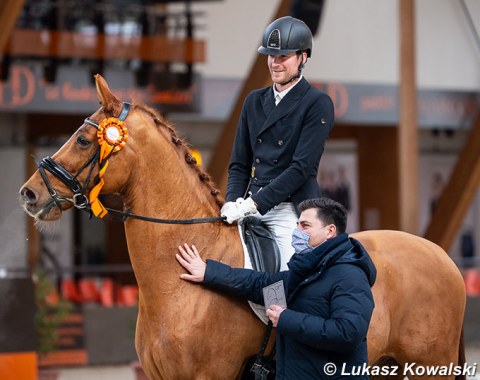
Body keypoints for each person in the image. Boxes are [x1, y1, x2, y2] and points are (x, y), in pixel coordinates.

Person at [177, 198, 376, 379]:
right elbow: (259, 284)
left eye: (305, 225)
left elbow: (347, 333)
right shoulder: (305, 269)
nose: (297, 231)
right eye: (297, 224)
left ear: (330, 231)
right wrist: (208, 272)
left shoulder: (350, 275)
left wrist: (285, 319)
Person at [220, 16, 335, 269]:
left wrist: (255, 203)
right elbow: (239, 164)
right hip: (248, 205)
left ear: (303, 57)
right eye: (271, 56)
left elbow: (301, 168)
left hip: (289, 208)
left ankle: (279, 308)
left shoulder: (317, 103)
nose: (275, 63)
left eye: (283, 57)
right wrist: (232, 201)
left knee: (282, 276)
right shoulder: (253, 101)